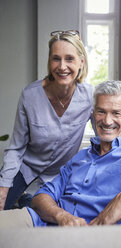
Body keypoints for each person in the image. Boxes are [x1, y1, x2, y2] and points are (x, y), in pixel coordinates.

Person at [0, 80, 121, 228]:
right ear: (93, 114)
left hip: (82, 236)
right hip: (38, 221)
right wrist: (61, 216)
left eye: (116, 113)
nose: (107, 121)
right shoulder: (80, 157)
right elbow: (41, 196)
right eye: (101, 112)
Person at [0, 30, 94, 211]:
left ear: (81, 62)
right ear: (49, 62)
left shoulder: (89, 97)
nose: (62, 66)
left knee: (47, 214)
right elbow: (17, 147)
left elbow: (102, 139)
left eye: (69, 59)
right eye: (56, 58)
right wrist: (3, 188)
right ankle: (22, 197)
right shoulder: (30, 95)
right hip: (26, 167)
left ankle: (27, 200)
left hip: (61, 173)